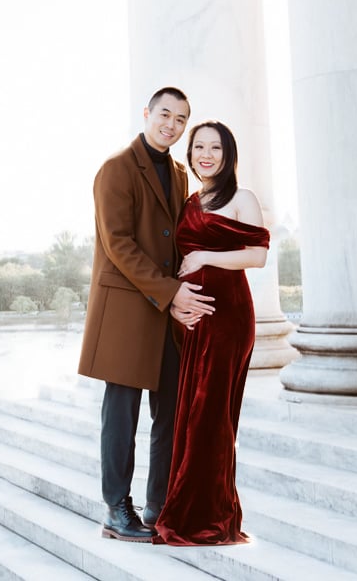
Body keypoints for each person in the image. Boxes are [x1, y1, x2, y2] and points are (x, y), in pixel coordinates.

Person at [78, 87, 217, 542]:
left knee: (170, 414)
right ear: (147, 114)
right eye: (165, 114)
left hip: (167, 316)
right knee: (121, 417)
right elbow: (118, 245)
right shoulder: (116, 168)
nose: (171, 125)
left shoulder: (179, 173)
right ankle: (116, 510)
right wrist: (172, 292)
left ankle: (158, 506)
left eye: (180, 119)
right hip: (126, 313)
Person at [153, 120, 269, 546]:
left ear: (228, 154)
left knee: (213, 417)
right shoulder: (190, 201)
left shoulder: (242, 198)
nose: (206, 155)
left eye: (215, 148)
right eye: (198, 147)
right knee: (192, 415)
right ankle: (189, 510)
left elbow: (256, 256)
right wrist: (177, 308)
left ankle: (210, 517)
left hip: (228, 318)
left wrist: (205, 255)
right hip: (195, 320)